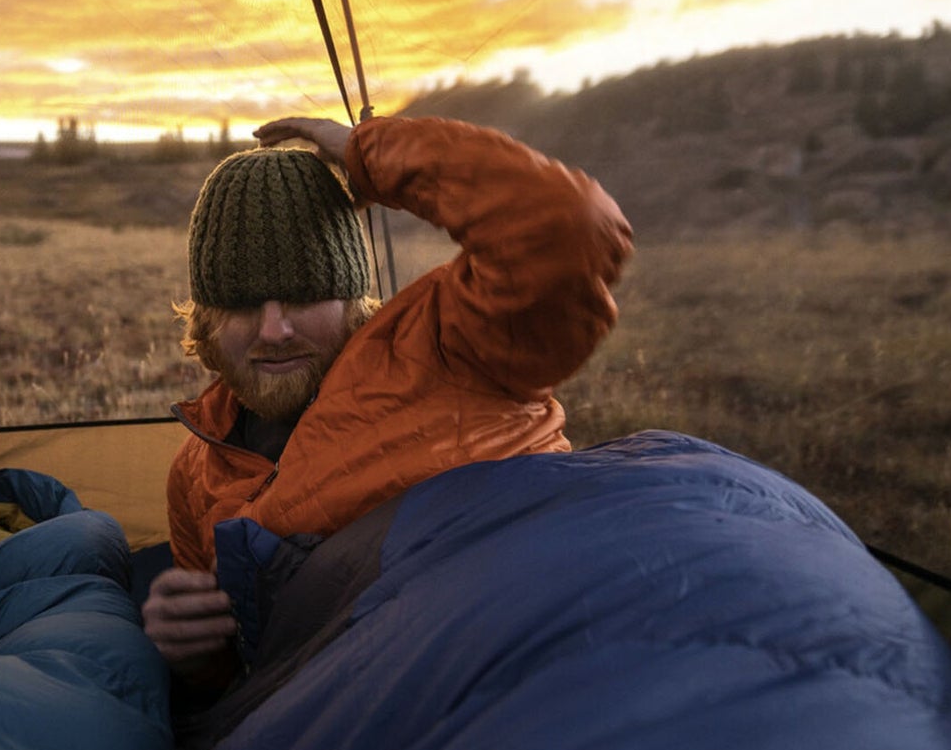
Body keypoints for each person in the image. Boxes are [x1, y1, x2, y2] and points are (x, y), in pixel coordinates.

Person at [142, 111, 633, 686]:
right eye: (243, 303)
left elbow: (569, 226)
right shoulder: (197, 473)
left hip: (522, 669)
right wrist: (186, 652)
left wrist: (369, 152)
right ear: (205, 318)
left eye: (305, 295)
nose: (274, 330)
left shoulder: (453, 348)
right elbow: (240, 679)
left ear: (353, 299)